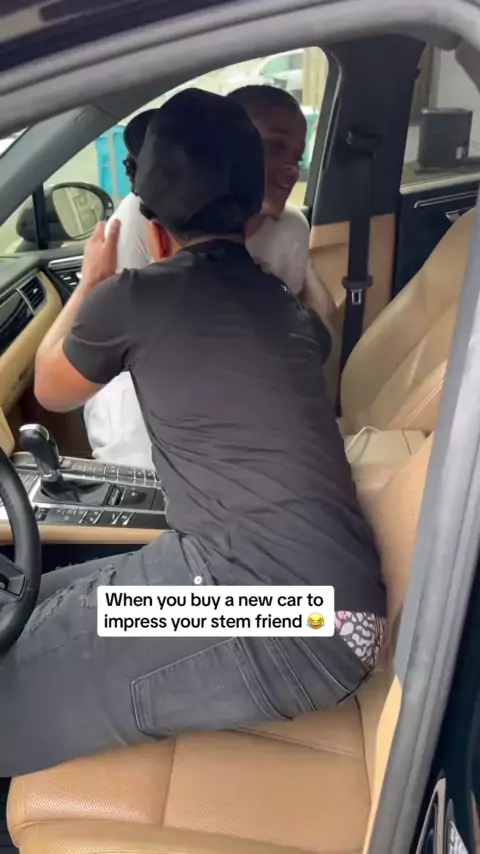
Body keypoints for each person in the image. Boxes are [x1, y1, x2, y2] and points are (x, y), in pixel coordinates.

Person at [0, 88, 385, 777]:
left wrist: (90, 280)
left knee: (7, 695)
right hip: (321, 602)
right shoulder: (280, 301)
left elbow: (52, 389)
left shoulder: (136, 296)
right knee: (34, 600)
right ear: (251, 209)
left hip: (282, 615)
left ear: (151, 225)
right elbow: (318, 336)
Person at [84, 85, 336, 468]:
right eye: (274, 147)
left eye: (297, 156)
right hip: (145, 409)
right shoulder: (143, 217)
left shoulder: (291, 231)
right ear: (224, 146)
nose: (291, 169)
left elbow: (284, 339)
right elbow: (114, 341)